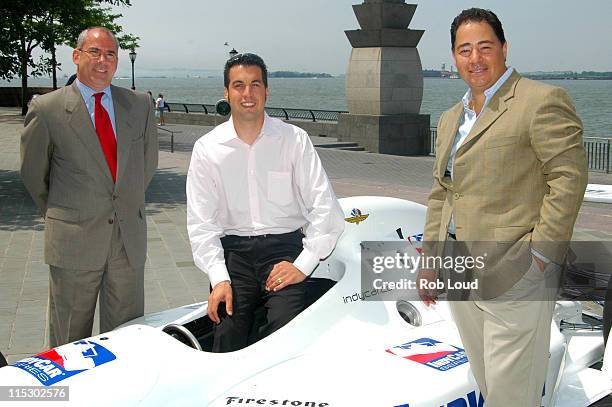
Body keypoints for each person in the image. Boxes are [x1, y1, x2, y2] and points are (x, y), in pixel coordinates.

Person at [419, 8, 587, 407]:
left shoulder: (540, 101)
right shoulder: (450, 119)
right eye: (464, 50)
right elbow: (443, 191)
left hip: (516, 270)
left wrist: (541, 256)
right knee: (489, 383)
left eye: (484, 47)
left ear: (504, 48)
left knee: (512, 394)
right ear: (454, 56)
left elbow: (568, 178)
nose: (474, 59)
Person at [186, 53, 344, 352]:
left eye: (255, 84)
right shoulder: (207, 149)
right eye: (239, 85)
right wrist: (219, 278)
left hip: (285, 249)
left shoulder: (294, 140)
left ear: (267, 90)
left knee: (287, 330)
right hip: (234, 255)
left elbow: (325, 208)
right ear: (226, 92)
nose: (248, 94)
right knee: (226, 332)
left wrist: (303, 265)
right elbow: (201, 223)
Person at [20, 27, 158, 348]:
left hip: (127, 244)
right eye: (94, 52)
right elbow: (33, 174)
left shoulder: (139, 105)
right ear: (76, 56)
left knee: (127, 341)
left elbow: (145, 166)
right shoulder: (47, 109)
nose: (102, 61)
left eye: (110, 54)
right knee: (69, 340)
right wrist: (65, 214)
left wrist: (123, 203)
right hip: (73, 244)